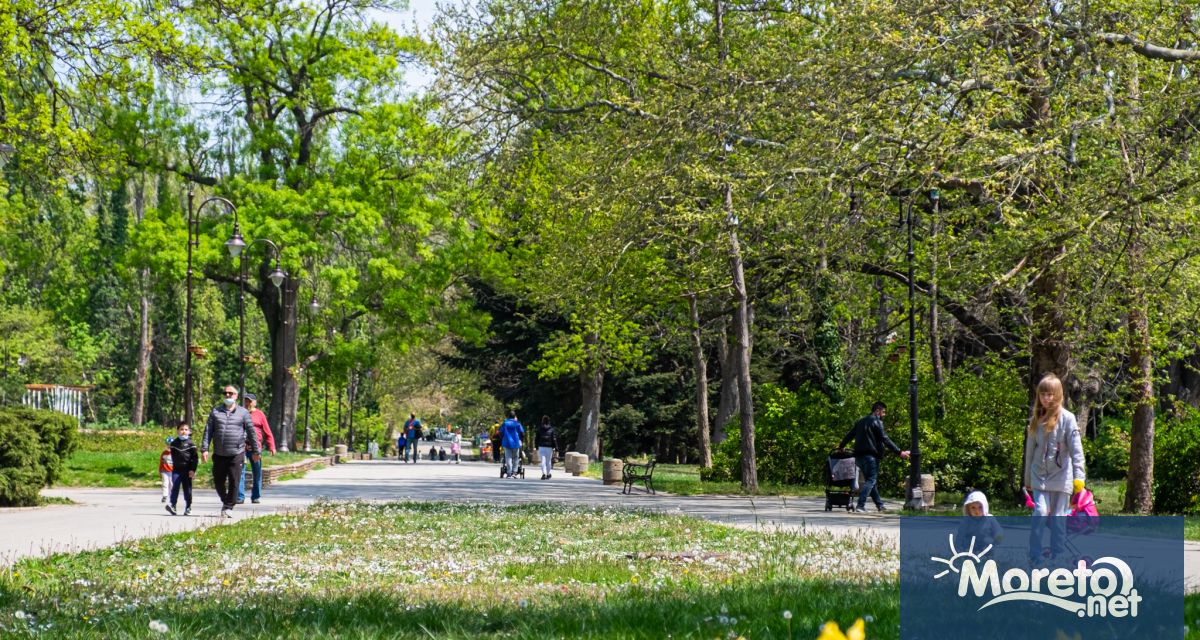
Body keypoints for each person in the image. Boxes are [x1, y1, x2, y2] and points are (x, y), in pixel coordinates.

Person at [1023, 373, 1085, 565]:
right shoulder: (1036, 419)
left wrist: (1079, 479)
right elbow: (1030, 452)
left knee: (1059, 518)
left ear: (1058, 395)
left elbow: (1076, 451)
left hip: (1062, 476)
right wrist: (1027, 479)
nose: (1046, 398)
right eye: (1043, 394)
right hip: (1039, 475)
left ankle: (1058, 556)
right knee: (1040, 512)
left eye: (1050, 394)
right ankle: (1035, 555)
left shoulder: (1068, 419)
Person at [837, 401, 910, 512]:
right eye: (883, 412)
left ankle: (880, 506)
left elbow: (850, 434)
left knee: (871, 482)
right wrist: (899, 452)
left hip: (859, 457)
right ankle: (860, 506)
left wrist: (841, 446)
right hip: (870, 456)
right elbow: (885, 439)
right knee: (871, 480)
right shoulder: (877, 421)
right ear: (877, 411)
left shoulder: (860, 421)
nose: (884, 415)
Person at [201, 385, 261, 519]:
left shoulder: (243, 413)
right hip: (219, 453)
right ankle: (226, 501)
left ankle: (228, 507)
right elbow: (208, 431)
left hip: (237, 453)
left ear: (236, 396)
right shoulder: (215, 412)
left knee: (235, 481)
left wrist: (256, 451)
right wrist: (205, 449)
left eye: (231, 393)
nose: (227, 395)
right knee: (218, 481)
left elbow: (251, 433)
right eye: (225, 393)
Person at [237, 392, 276, 505]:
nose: (247, 403)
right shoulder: (240, 413)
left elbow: (267, 431)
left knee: (257, 472)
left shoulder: (260, 414)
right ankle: (240, 496)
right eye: (246, 400)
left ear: (254, 402)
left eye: (250, 401)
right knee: (240, 471)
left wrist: (271, 445)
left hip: (255, 448)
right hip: (242, 447)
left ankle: (256, 496)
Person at [166, 421, 199, 516]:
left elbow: (195, 458)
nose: (183, 431)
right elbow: (172, 456)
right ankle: (173, 505)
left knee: (187, 490)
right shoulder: (174, 444)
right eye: (181, 429)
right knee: (175, 487)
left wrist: (193, 470)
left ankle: (188, 506)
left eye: (186, 429)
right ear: (177, 431)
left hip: (187, 470)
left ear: (189, 431)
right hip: (176, 470)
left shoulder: (191, 444)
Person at [500, 410, 525, 478]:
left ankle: (509, 473)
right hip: (516, 443)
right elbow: (522, 433)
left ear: (508, 416)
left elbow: (501, 432)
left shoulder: (505, 423)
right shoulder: (517, 424)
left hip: (507, 442)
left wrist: (502, 438)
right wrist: (522, 439)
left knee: (508, 458)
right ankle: (514, 472)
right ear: (514, 417)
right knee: (516, 458)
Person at [535, 415, 558, 480]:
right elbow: (554, 439)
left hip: (541, 446)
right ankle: (548, 474)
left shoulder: (539, 429)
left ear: (542, 421)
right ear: (549, 421)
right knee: (548, 461)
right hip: (549, 447)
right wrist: (556, 447)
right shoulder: (552, 429)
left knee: (543, 461)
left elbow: (536, 438)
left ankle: (543, 474)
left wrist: (536, 446)